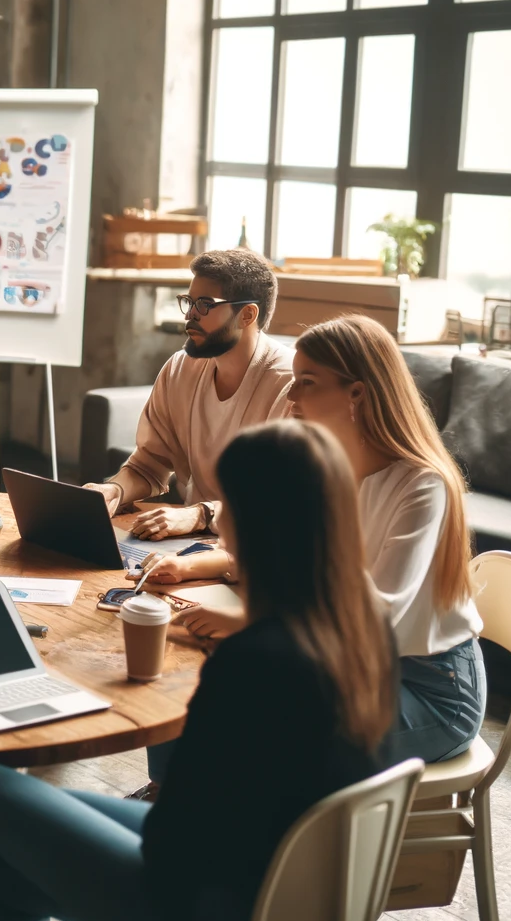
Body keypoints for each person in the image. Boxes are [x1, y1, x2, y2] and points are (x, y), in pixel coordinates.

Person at [0, 420, 397, 921]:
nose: (222, 521)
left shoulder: (256, 659)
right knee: (9, 863)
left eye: (228, 505)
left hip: (211, 908)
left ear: (256, 524)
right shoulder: (362, 632)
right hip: (287, 890)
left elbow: (171, 837)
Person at [141, 314, 484, 774]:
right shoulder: (328, 464)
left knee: (260, 726)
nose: (290, 394)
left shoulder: (422, 485)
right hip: (344, 662)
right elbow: (294, 560)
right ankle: (167, 802)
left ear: (356, 393)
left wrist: (254, 622)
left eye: (306, 382)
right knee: (197, 683)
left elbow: (377, 615)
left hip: (426, 686)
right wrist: (197, 572)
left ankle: (205, 826)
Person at [82, 248, 294, 543]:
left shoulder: (292, 386)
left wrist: (199, 514)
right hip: (186, 539)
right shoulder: (181, 368)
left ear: (247, 315)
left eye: (206, 304)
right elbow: (149, 464)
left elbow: (284, 503)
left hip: (257, 550)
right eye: (189, 302)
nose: (191, 314)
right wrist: (114, 491)